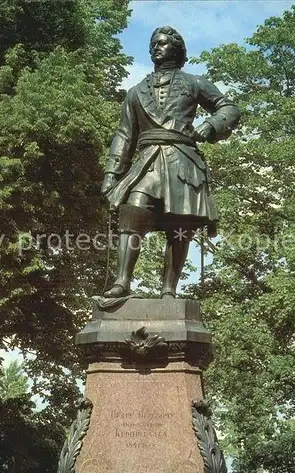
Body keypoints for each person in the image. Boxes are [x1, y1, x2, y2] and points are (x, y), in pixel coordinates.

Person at [101, 26, 240, 299]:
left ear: (176, 48)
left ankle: (169, 290)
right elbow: (124, 135)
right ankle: (122, 282)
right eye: (153, 43)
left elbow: (230, 107)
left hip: (182, 161)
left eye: (162, 43)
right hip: (147, 161)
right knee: (133, 209)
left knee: (181, 224)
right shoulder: (135, 93)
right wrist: (111, 173)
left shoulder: (194, 83)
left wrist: (211, 125)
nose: (156, 47)